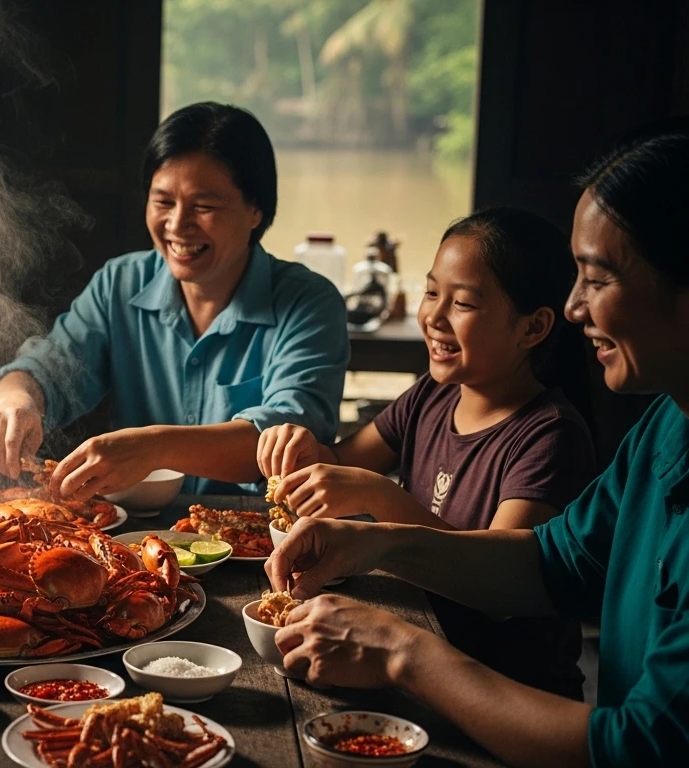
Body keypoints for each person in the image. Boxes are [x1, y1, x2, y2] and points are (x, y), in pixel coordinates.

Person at [266, 121, 689, 767]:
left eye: (599, 280)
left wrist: (406, 652)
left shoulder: (551, 431)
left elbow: (638, 747)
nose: (575, 308)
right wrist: (378, 541)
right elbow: (551, 564)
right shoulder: (665, 426)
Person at [257, 207, 595, 698]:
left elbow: (501, 588)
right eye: (432, 291)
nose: (433, 317)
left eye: (463, 304)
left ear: (533, 327)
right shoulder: (432, 397)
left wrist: (382, 500)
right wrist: (303, 448)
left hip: (506, 694)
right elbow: (339, 467)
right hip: (413, 661)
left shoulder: (550, 436)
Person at [0, 102, 349, 497]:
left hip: (255, 540)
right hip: (133, 540)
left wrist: (152, 448)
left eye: (204, 206)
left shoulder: (310, 304)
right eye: (163, 202)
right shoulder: (119, 283)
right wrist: (16, 401)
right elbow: (50, 367)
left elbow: (292, 441)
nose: (176, 225)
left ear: (255, 209)